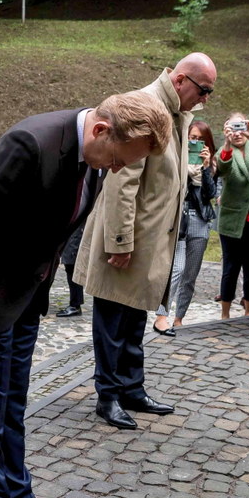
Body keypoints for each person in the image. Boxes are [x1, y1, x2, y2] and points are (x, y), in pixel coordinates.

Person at [0, 90, 172, 498]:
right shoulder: (31, 143)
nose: (117, 170)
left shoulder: (96, 154)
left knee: (13, 403)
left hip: (26, 300)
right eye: (119, 161)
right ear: (103, 131)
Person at [76, 52, 216, 430]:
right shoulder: (144, 106)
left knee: (136, 314)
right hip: (128, 238)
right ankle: (108, 395)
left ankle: (131, 388)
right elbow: (121, 180)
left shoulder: (178, 113)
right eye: (203, 91)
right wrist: (119, 240)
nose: (205, 100)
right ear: (181, 80)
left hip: (152, 239)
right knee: (112, 318)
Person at [153, 120, 216, 336]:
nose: (195, 142)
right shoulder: (177, 159)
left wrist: (206, 169)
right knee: (176, 269)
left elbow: (210, 194)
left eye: (200, 139)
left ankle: (179, 318)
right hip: (178, 221)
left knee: (190, 275)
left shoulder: (210, 165)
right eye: (192, 137)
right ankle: (162, 316)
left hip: (200, 222)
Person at [215, 113, 249, 319]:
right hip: (232, 219)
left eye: (241, 126)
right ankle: (225, 312)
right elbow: (222, 169)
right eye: (232, 128)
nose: (238, 132)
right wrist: (228, 144)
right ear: (225, 130)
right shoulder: (224, 151)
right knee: (230, 267)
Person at [55, 227, 85, 318]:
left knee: (71, 264)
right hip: (71, 228)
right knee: (70, 264)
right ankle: (75, 304)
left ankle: (75, 305)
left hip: (76, 228)